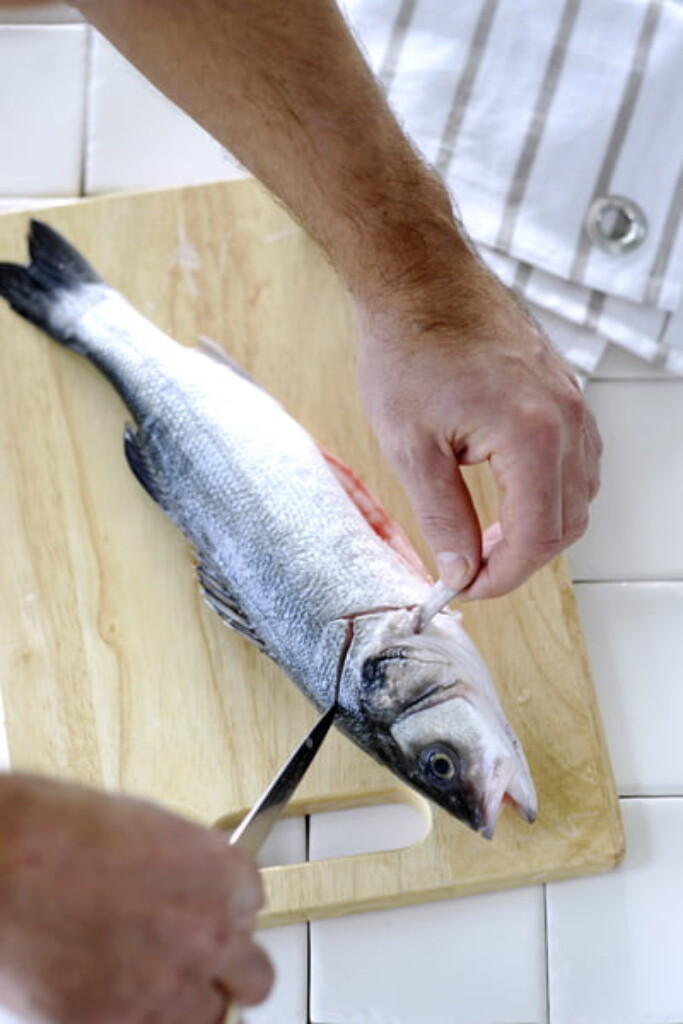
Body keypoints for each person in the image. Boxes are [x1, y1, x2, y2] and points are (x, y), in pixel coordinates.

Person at [0, 0, 602, 1021]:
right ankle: (86, 317)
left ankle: (87, 314)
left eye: (443, 760)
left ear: (396, 676)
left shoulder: (396, 658)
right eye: (447, 765)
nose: (472, 769)